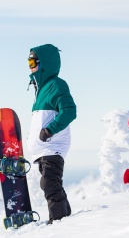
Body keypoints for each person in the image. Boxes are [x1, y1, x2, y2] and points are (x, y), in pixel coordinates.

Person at [27, 44, 77, 224]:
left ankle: (58, 221)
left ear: (44, 63)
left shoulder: (57, 85)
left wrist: (50, 130)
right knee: (51, 183)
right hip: (44, 148)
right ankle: (65, 217)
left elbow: (70, 111)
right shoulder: (41, 89)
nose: (30, 66)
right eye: (28, 62)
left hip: (53, 145)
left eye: (33, 61)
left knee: (49, 183)